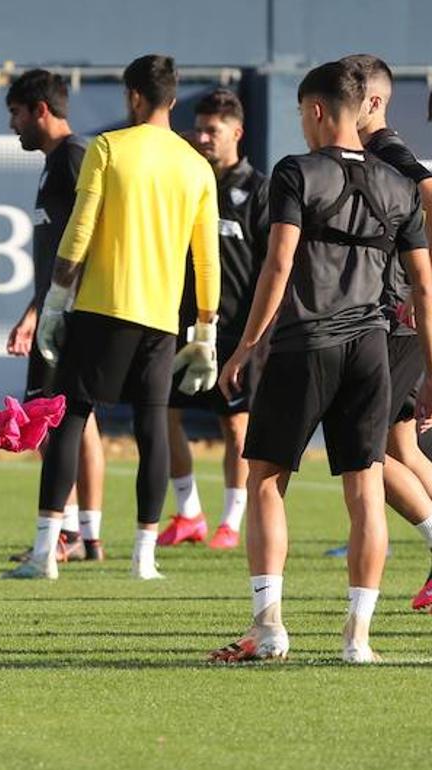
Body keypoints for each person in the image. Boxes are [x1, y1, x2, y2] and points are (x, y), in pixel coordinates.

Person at [209, 62, 431, 664]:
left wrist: (248, 343)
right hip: (370, 349)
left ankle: (270, 626)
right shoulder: (399, 184)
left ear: (314, 110)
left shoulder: (296, 172)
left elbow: (278, 265)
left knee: (266, 481)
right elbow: (424, 288)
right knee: (363, 490)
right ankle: (357, 639)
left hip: (304, 344)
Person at [14, 54, 220, 581]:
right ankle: (144, 557)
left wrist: (56, 303)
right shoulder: (196, 164)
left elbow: (78, 232)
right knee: (151, 428)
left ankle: (44, 551)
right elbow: (207, 258)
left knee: (70, 419)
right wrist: (206, 330)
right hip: (161, 317)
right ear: (173, 100)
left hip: (102, 307)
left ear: (133, 96)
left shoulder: (108, 147)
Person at [319, 55, 432, 612]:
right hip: (394, 316)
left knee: (361, 444)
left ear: (373, 103)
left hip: (396, 318)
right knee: (399, 446)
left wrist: (418, 285)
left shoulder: (386, 151)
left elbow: (430, 195)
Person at [3, 69, 107, 567]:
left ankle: (66, 531)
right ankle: (86, 534)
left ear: (40, 109)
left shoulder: (73, 158)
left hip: (70, 316)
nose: (12, 126)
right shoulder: (55, 163)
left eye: (16, 114)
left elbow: (92, 238)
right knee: (76, 420)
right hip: (54, 311)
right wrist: (32, 311)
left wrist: (63, 308)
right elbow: (57, 257)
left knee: (47, 420)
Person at [158, 88, 270, 551]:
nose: (202, 138)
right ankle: (188, 513)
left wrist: (256, 337)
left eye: (213, 131)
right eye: (198, 129)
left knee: (235, 427)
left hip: (234, 330)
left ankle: (230, 520)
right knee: (164, 414)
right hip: (182, 322)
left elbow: (273, 265)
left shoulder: (258, 190)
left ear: (237, 133)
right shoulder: (186, 181)